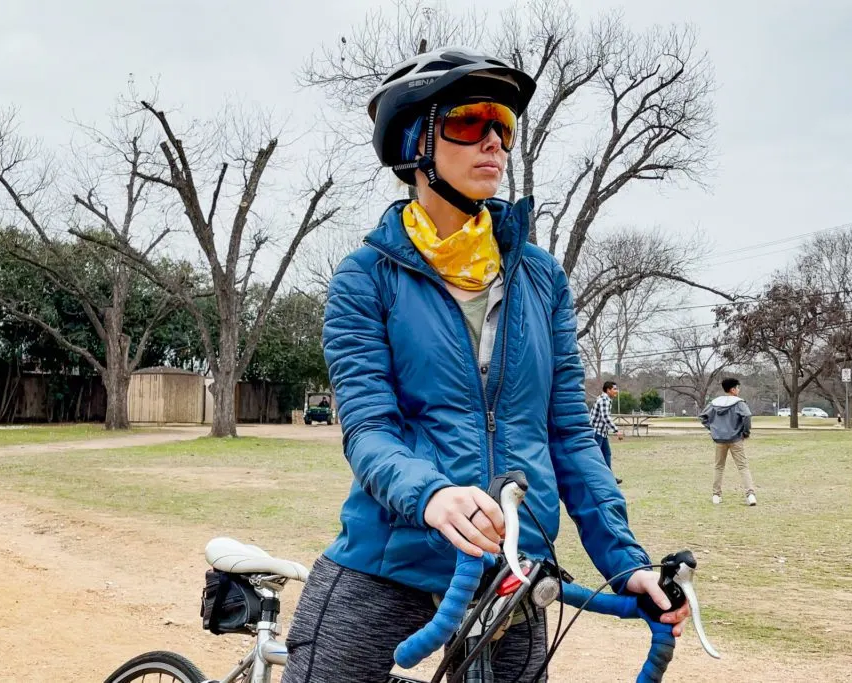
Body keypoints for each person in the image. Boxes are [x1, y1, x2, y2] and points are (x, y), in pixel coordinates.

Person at [281, 47, 688, 683]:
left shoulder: (541, 277)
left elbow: (569, 438)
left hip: (514, 577)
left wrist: (623, 560)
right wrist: (432, 493)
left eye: (503, 125)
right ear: (417, 143)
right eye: (470, 123)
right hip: (391, 569)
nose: (494, 142)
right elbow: (369, 431)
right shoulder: (366, 278)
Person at [699, 377, 757, 506]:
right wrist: (745, 432)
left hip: (719, 440)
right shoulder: (739, 403)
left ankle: (716, 495)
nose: (739, 390)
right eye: (738, 387)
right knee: (743, 467)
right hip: (736, 439)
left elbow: (703, 417)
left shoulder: (715, 403)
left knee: (719, 467)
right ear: (733, 389)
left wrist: (713, 429)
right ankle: (750, 495)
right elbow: (747, 416)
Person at [589, 380, 624, 484]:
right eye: (614, 389)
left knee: (606, 454)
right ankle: (594, 480)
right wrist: (616, 430)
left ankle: (609, 478)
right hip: (596, 433)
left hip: (602, 433)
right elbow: (606, 418)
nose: (616, 391)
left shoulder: (605, 399)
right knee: (596, 457)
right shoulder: (604, 400)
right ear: (608, 390)